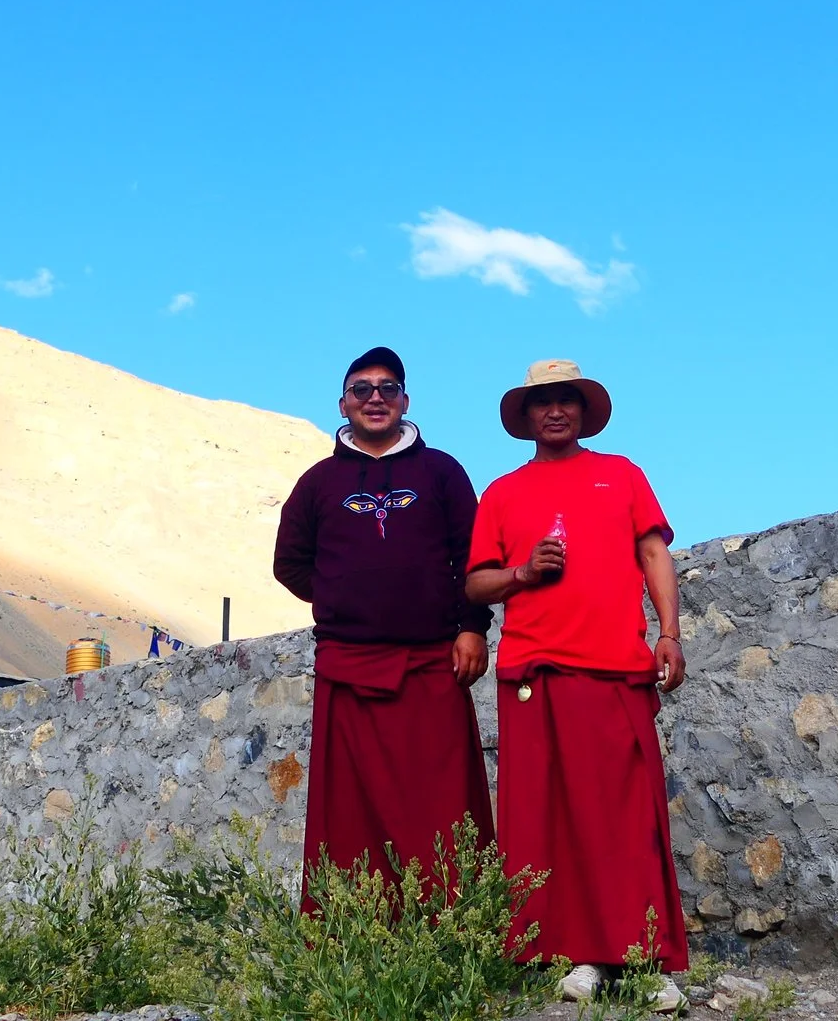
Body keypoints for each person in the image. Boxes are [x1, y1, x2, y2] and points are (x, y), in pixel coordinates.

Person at [466, 358, 688, 1012]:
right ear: (527, 416)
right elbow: (476, 583)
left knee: (627, 817)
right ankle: (577, 954)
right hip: (534, 668)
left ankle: (646, 958)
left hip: (615, 664)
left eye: (566, 400)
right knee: (547, 819)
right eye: (543, 402)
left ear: (582, 410)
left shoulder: (621, 475)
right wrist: (524, 573)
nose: (555, 410)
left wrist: (669, 633)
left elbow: (654, 553)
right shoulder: (502, 493)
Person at [273, 346, 495, 895]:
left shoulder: (442, 471)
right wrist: (343, 599)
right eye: (362, 390)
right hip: (348, 664)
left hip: (433, 662)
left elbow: (472, 557)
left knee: (443, 801)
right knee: (350, 813)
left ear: (405, 400)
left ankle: (454, 930)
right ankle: (355, 933)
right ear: (343, 404)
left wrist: (470, 626)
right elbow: (290, 564)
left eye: (387, 389)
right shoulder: (318, 482)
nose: (376, 398)